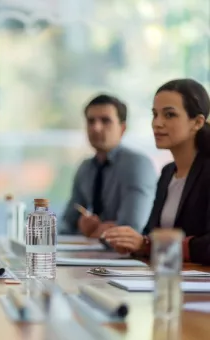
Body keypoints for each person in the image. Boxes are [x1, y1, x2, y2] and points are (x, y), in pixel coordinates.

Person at [104, 79, 210, 264]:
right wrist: (132, 242)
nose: (157, 123)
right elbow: (150, 235)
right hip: (168, 277)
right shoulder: (168, 173)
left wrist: (148, 245)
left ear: (197, 122)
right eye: (155, 114)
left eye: (169, 115)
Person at [59, 94, 157, 237]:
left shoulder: (137, 164)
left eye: (106, 121)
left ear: (122, 128)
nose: (96, 128)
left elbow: (130, 228)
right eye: (91, 121)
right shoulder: (85, 168)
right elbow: (67, 223)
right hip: (92, 253)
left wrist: (94, 232)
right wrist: (84, 226)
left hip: (130, 256)